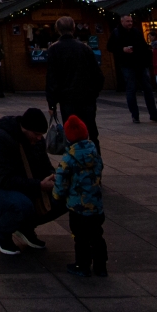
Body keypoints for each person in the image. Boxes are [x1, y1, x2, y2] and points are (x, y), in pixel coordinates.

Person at [0, 107, 61, 255]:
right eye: (36, 134)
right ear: (25, 129)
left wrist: (53, 176)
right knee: (21, 205)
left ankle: (24, 227)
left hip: (26, 187)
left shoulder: (37, 141)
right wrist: (39, 185)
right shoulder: (1, 139)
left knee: (65, 198)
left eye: (42, 135)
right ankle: (1, 230)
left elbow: (45, 166)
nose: (40, 138)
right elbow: (5, 180)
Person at [44, 115, 107, 278]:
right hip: (96, 205)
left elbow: (61, 182)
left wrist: (56, 198)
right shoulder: (94, 152)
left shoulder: (68, 158)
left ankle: (82, 265)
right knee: (97, 235)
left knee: (80, 238)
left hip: (77, 206)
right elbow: (99, 170)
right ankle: (101, 267)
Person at [45, 17, 103, 145]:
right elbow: (97, 74)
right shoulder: (84, 48)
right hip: (86, 96)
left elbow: (52, 78)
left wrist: (52, 103)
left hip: (67, 98)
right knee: (91, 130)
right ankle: (94, 158)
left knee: (71, 132)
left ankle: (74, 158)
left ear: (57, 30)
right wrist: (94, 92)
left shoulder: (54, 49)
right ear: (73, 28)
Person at [107, 15, 157, 124]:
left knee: (147, 89)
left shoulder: (136, 31)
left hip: (140, 64)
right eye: (127, 21)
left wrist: (145, 58)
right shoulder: (116, 32)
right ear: (122, 21)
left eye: (131, 21)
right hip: (127, 64)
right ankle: (135, 115)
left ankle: (154, 114)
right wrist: (122, 49)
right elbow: (110, 47)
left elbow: (142, 45)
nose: (130, 23)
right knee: (131, 89)